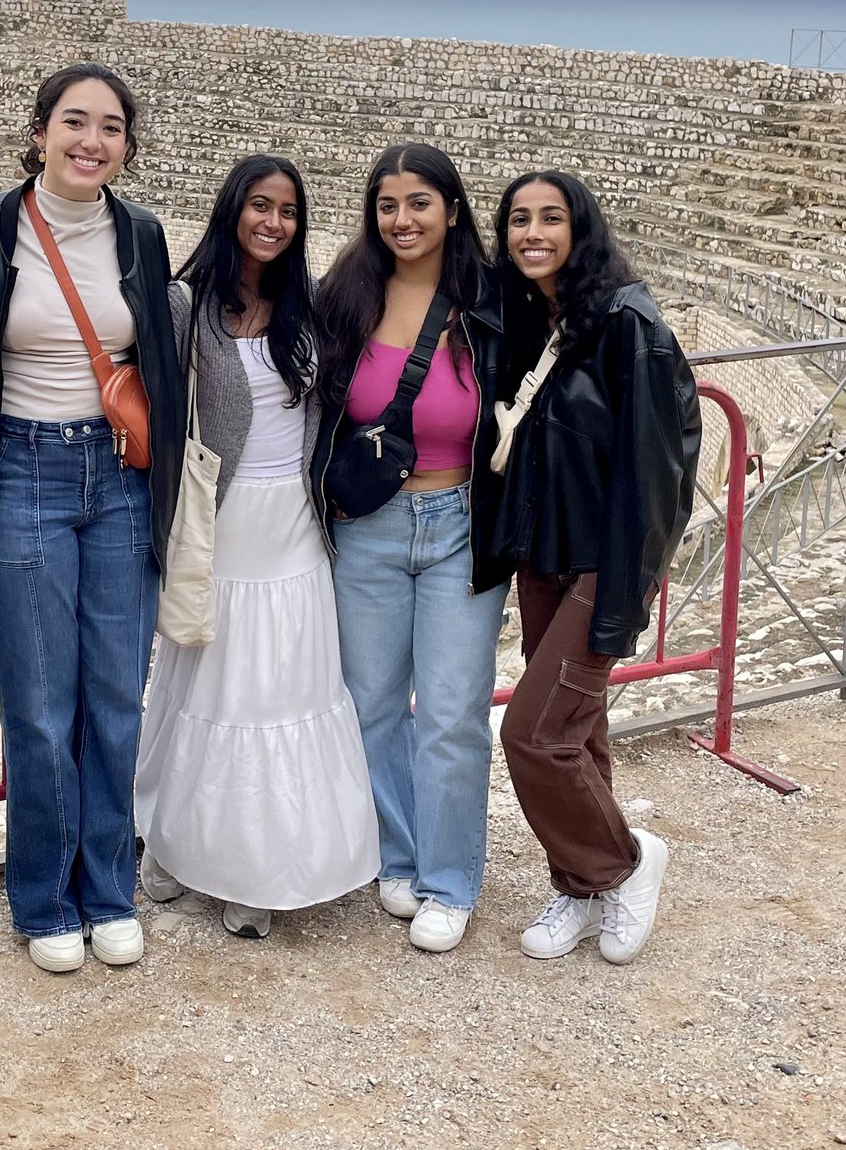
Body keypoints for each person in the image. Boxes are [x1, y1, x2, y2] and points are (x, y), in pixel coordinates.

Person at [0, 62, 186, 974]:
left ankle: (108, 886)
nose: (93, 141)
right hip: (23, 469)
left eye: (112, 127)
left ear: (128, 144)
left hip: (117, 476)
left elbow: (160, 354)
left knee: (115, 699)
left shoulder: (141, 232)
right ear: (41, 129)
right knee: (41, 707)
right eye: (75, 122)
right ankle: (43, 895)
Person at [135, 156, 378, 939]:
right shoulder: (187, 304)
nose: (272, 222)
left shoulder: (309, 309)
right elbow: (161, 412)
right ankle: (174, 842)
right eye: (259, 206)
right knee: (206, 685)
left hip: (294, 527)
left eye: (288, 211)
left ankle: (256, 869)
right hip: (221, 520)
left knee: (277, 692)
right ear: (232, 209)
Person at [485, 170, 700, 966]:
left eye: (550, 218)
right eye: (517, 219)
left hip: (600, 566)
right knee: (579, 732)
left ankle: (627, 861)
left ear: (582, 228)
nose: (531, 232)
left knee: (531, 733)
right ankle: (581, 887)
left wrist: (624, 594)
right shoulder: (546, 318)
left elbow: (657, 474)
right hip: (545, 557)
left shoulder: (626, 324)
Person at [312, 142, 510, 954]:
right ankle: (396, 856)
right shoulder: (346, 296)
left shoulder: (490, 303)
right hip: (371, 528)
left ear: (453, 210)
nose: (403, 219)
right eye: (388, 204)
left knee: (456, 711)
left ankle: (450, 879)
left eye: (420, 202)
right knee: (373, 702)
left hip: (462, 522)